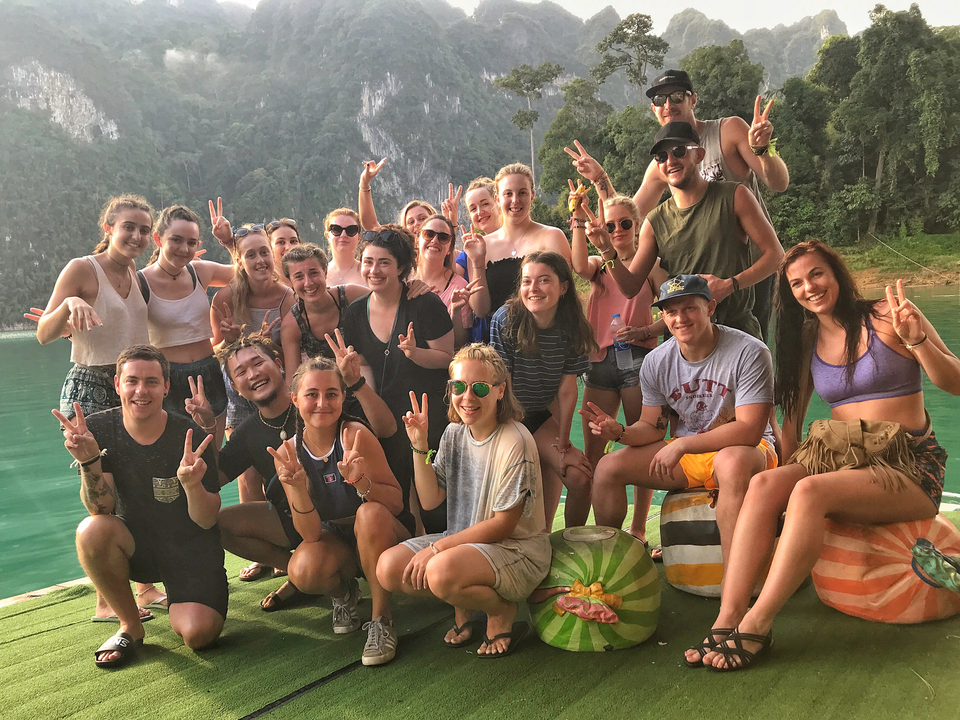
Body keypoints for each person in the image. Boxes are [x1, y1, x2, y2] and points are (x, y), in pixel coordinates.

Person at [689, 242, 960, 671]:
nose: (808, 287)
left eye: (816, 274)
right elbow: (792, 418)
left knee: (810, 492)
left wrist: (920, 341)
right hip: (839, 457)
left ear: (836, 273)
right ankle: (728, 616)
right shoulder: (806, 338)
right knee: (764, 484)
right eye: (796, 283)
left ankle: (758, 624)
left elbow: (955, 382)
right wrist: (782, 482)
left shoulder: (891, 315)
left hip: (906, 465)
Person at [567, 68, 790, 337]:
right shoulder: (660, 172)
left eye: (676, 96)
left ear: (693, 99)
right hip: (691, 288)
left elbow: (778, 184)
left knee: (754, 345)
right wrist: (600, 181)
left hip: (749, 265)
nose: (668, 106)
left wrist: (763, 150)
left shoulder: (728, 131)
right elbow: (628, 216)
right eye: (660, 101)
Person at [586, 275, 777, 574]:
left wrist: (684, 444)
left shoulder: (749, 352)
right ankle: (609, 569)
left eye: (689, 308)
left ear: (710, 307)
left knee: (730, 461)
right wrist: (620, 431)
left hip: (748, 450)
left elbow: (750, 430)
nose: (680, 318)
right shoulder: (656, 362)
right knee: (608, 468)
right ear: (662, 316)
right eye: (671, 311)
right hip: (690, 456)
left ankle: (734, 581)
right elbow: (652, 426)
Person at [52, 345, 225, 669]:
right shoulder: (99, 429)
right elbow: (99, 508)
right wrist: (89, 460)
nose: (141, 391)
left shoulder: (189, 436)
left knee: (199, 635)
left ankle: (183, 598)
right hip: (139, 549)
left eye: (151, 381)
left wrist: (191, 485)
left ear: (166, 386)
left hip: (191, 551)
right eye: (132, 381)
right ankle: (130, 625)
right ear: (118, 384)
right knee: (92, 530)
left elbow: (206, 520)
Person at [378, 344, 551, 658]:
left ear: (500, 391)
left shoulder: (516, 439)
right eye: (458, 386)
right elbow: (431, 500)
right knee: (388, 568)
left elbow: (503, 525)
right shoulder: (454, 433)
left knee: (439, 571)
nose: (467, 397)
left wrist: (438, 548)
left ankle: (501, 610)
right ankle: (463, 602)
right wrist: (419, 446)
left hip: (517, 550)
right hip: (463, 547)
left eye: (480, 387)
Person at [37, 193, 162, 622]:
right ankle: (107, 600)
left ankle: (143, 586)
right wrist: (69, 306)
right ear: (108, 228)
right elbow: (42, 332)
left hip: (130, 387)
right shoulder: (82, 269)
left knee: (135, 485)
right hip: (88, 388)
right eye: (128, 227)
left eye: (145, 230)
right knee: (99, 493)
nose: (137, 236)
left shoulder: (137, 274)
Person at [267, 356, 414, 665]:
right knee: (302, 569)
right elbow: (308, 533)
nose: (322, 402)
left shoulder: (355, 435)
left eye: (331, 394)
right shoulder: (287, 453)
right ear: (294, 399)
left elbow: (397, 504)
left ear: (342, 397)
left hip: (384, 534)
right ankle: (344, 594)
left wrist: (360, 481)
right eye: (312, 394)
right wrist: (295, 488)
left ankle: (381, 620)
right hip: (338, 540)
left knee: (369, 514)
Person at [339, 226, 454, 533]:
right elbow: (364, 366)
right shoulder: (354, 314)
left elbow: (448, 357)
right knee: (403, 498)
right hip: (388, 417)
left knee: (436, 498)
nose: (373, 270)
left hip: (432, 416)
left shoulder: (425, 304)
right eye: (367, 261)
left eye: (384, 263)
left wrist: (416, 354)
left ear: (402, 268)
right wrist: (373, 417)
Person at [570, 191, 664, 546]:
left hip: (639, 361)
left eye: (625, 223)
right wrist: (578, 219)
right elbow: (578, 266)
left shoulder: (650, 266)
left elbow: (670, 314)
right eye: (610, 225)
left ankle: (638, 530)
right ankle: (598, 529)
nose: (618, 230)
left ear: (637, 225)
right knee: (594, 450)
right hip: (599, 364)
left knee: (639, 449)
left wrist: (644, 330)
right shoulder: (599, 264)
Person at [490, 251, 595, 528]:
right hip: (503, 416)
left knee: (580, 477)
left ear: (563, 287)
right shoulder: (506, 319)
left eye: (543, 280)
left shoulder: (572, 327)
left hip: (540, 415)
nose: (533, 289)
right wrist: (519, 442)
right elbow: (503, 385)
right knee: (520, 483)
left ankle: (570, 545)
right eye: (526, 281)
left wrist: (562, 444)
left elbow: (567, 390)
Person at [140, 205, 234, 445]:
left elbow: (249, 274)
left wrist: (229, 243)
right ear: (157, 238)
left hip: (209, 372)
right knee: (173, 458)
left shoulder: (199, 272)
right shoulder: (140, 281)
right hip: (167, 378)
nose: (184, 249)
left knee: (211, 457)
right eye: (176, 240)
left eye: (191, 243)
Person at [456, 164, 572, 343]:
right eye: (508, 194)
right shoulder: (481, 246)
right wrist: (478, 262)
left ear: (532, 196)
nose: (515, 200)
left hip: (547, 339)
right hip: (500, 343)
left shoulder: (552, 237)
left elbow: (566, 293)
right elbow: (480, 310)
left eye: (522, 193)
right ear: (498, 199)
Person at [279, 243, 369, 382]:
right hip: (328, 392)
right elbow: (293, 381)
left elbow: (388, 300)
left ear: (325, 271)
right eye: (299, 277)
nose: (308, 283)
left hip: (367, 379)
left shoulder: (351, 296)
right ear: (290, 281)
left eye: (313, 273)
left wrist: (412, 286)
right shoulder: (292, 325)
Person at [412, 214, 478, 348]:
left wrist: (455, 311)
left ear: (450, 249)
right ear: (417, 240)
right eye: (428, 234)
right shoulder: (401, 276)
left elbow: (459, 344)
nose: (435, 240)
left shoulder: (459, 287)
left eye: (443, 237)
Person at [357, 157, 437, 237]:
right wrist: (364, 183)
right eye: (411, 222)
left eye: (422, 218)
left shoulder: (446, 246)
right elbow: (371, 226)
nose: (417, 224)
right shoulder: (399, 248)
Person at [323, 208, 365, 286]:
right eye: (336, 229)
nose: (343, 235)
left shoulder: (369, 272)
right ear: (328, 235)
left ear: (358, 237)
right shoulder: (319, 274)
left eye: (351, 230)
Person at [265, 217, 301, 284]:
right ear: (269, 248)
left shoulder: (311, 282)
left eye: (293, 241)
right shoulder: (264, 287)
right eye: (281, 242)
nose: (288, 247)